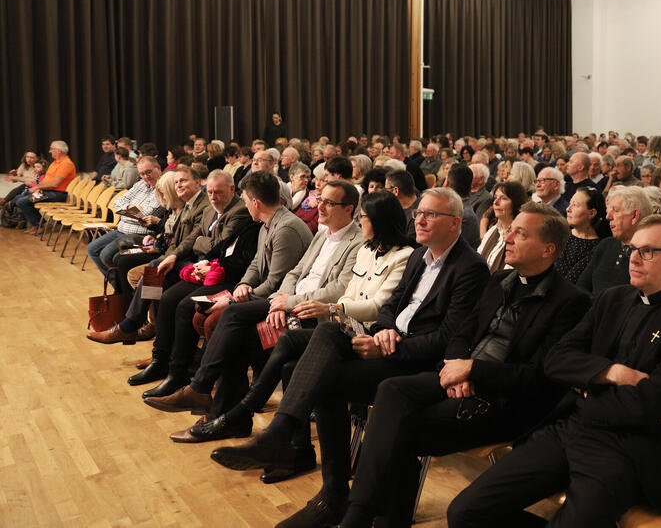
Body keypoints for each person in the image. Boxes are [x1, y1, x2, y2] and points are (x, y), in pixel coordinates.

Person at [273, 203, 590, 527]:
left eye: (520, 234)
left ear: (548, 249)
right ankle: (357, 511)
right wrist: (458, 364)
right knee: (390, 391)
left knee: (399, 428)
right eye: (510, 230)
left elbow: (542, 376)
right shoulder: (501, 279)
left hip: (504, 399)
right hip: (456, 373)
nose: (507, 238)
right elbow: (463, 333)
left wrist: (474, 371)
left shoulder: (570, 301)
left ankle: (359, 514)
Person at [446, 215, 661, 528]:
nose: (634, 258)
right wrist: (610, 373)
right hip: (571, 428)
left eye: (647, 251)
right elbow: (556, 359)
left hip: (626, 446)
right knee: (465, 512)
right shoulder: (612, 298)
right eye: (632, 249)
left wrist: (585, 389)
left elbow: (650, 405)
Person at [208, 188, 489, 496]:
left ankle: (325, 483)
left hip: (413, 360)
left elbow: (448, 336)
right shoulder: (420, 256)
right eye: (419, 213)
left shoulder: (469, 266)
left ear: (455, 222)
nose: (419, 220)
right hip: (385, 340)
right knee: (322, 337)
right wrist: (382, 330)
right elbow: (390, 306)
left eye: (430, 215)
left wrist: (385, 344)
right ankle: (284, 440)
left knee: (321, 374)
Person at [188, 191, 414, 478]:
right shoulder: (367, 249)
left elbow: (376, 306)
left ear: (379, 220)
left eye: (364, 216)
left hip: (362, 331)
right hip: (336, 319)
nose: (360, 221)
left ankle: (245, 415)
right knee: (286, 358)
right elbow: (311, 278)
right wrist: (287, 301)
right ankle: (293, 448)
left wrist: (329, 308)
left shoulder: (402, 256)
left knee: (247, 323)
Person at [148, 180, 366, 429]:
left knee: (231, 317)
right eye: (320, 200)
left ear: (348, 209)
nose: (320, 207)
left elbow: (338, 289)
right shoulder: (321, 235)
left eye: (329, 203)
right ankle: (218, 409)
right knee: (228, 326)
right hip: (285, 300)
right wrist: (273, 297)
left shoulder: (355, 241)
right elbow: (294, 272)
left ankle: (205, 393)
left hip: (311, 310)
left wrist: (285, 302)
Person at [135, 171, 312, 398]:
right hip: (203, 266)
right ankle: (156, 348)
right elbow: (193, 240)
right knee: (156, 276)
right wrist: (175, 254)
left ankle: (189, 373)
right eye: (209, 192)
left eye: (217, 192)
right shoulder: (194, 208)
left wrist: (232, 287)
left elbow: (221, 249)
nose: (212, 196)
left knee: (187, 306)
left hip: (223, 274)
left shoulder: (248, 216)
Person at [85, 157, 166, 290]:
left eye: (149, 172)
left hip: (140, 234)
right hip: (121, 229)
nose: (146, 177)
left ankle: (121, 289)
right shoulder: (140, 184)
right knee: (92, 249)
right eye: (142, 174)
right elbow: (117, 203)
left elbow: (147, 214)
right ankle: (118, 287)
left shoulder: (163, 188)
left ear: (158, 168)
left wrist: (126, 212)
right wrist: (131, 208)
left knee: (107, 256)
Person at [577, 186, 652, 297]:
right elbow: (581, 286)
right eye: (608, 211)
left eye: (615, 210)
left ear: (634, 216)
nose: (608, 217)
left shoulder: (649, 255)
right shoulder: (606, 244)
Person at [16, 140, 78, 233]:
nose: (49, 151)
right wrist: (39, 188)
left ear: (59, 151)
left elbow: (54, 184)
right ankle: (39, 224)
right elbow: (45, 180)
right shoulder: (55, 162)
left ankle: (39, 225)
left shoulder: (66, 164)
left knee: (22, 201)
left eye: (52, 149)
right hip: (48, 191)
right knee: (18, 198)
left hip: (57, 194)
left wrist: (37, 188)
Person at [555, 186, 608, 284]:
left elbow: (571, 282)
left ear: (591, 213)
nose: (568, 209)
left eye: (575, 205)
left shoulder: (597, 248)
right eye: (570, 203)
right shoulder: (559, 234)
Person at [477, 182, 528, 273]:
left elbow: (510, 273)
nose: (495, 202)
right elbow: (478, 259)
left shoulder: (520, 236)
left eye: (503, 198)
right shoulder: (493, 230)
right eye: (495, 198)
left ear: (516, 203)